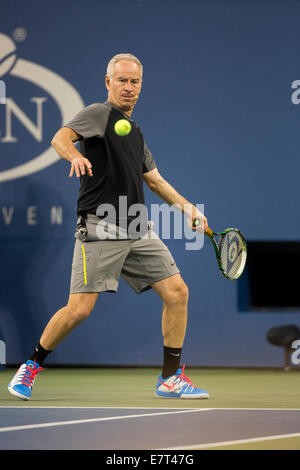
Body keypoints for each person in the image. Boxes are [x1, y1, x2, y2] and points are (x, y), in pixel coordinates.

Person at [8, 53, 210, 400]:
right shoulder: (98, 113)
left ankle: (170, 378)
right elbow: (60, 137)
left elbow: (156, 182)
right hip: (100, 227)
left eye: (135, 82)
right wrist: (75, 156)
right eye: (122, 81)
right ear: (108, 82)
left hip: (136, 227)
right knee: (79, 310)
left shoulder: (135, 132)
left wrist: (189, 209)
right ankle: (30, 367)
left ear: (141, 86)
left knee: (177, 292)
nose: (129, 87)